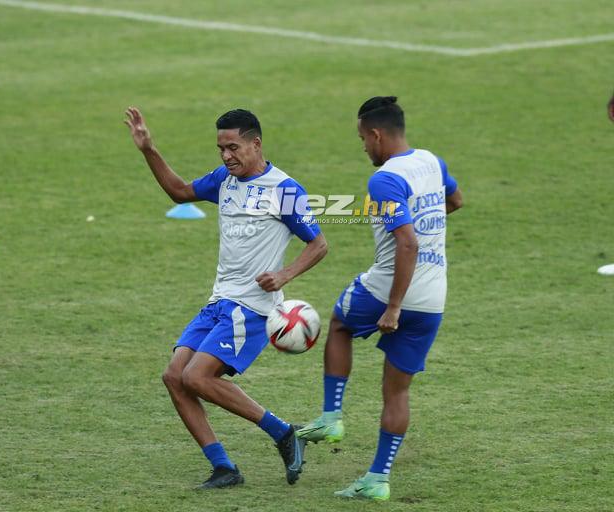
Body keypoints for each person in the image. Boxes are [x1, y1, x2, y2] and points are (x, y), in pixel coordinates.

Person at [124, 107, 327, 489]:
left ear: (256, 143)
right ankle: (224, 467)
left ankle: (284, 433)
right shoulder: (224, 180)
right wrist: (148, 149)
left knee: (196, 377)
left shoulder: (284, 190)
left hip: (252, 307)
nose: (226, 156)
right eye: (221, 149)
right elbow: (180, 192)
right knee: (174, 377)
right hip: (219, 302)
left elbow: (318, 245)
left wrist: (284, 274)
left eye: (233, 147)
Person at [296, 96, 463, 501]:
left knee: (338, 323)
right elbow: (455, 202)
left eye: (362, 140)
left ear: (376, 134)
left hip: (389, 288)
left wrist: (392, 306)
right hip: (434, 297)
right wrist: (425, 219)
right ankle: (377, 479)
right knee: (397, 392)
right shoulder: (431, 162)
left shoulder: (385, 179)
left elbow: (406, 244)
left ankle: (332, 416)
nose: (364, 148)